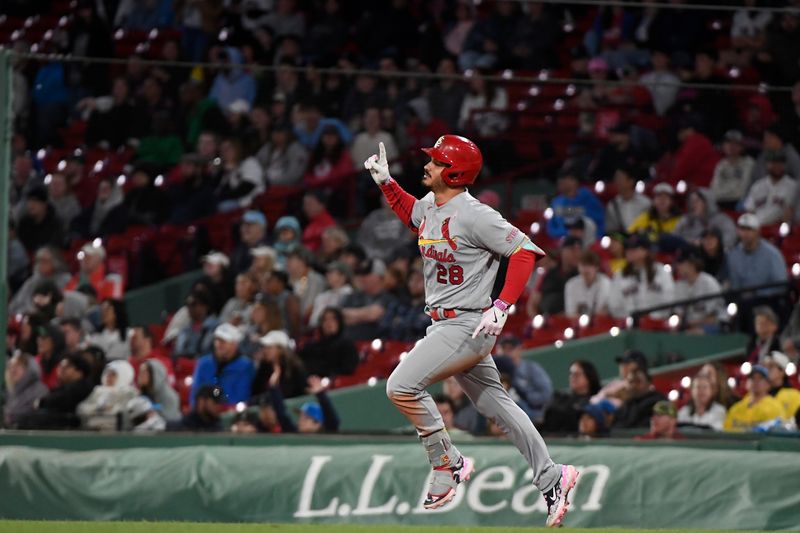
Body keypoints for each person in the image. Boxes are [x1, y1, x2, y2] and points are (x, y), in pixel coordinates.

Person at [363, 136, 578, 525]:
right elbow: (415, 216)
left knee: (400, 387)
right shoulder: (431, 204)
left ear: (455, 172)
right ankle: (553, 477)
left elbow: (525, 252)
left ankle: (448, 463)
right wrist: (387, 184)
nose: (427, 165)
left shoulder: (477, 214)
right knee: (496, 404)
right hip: (444, 323)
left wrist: (502, 305)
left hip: (468, 322)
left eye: (437, 161)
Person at [608, 234, 675, 319]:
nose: (629, 251)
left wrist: (654, 317)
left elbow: (669, 299)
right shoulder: (620, 275)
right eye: (627, 248)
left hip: (658, 324)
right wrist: (629, 318)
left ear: (645, 251)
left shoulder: (661, 272)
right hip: (630, 327)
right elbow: (614, 304)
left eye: (634, 249)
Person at [190, 323, 254, 407]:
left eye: (224, 341)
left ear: (234, 344)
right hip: (203, 413)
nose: (219, 344)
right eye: (217, 340)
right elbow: (195, 393)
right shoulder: (204, 363)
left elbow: (241, 396)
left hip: (230, 414)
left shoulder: (245, 366)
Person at [493, 336, 553, 424]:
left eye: (510, 349)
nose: (506, 352)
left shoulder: (531, 369)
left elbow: (546, 395)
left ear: (519, 349)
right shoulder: (495, 370)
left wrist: (526, 396)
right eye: (503, 348)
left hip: (531, 417)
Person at [728, 214, 788, 296]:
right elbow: (735, 284)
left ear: (757, 231)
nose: (745, 233)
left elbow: (781, 285)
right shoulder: (734, 255)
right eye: (742, 229)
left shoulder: (772, 254)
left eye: (749, 229)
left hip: (769, 300)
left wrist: (758, 294)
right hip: (742, 301)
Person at [527, 236, 582, 316]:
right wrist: (537, 319)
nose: (577, 254)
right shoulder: (548, 273)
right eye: (572, 250)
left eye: (579, 250)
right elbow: (532, 304)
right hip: (547, 322)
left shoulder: (582, 275)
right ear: (562, 251)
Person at [542, 360, 601, 434]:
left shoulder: (596, 399)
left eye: (577, 374)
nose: (572, 377)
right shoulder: (559, 397)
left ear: (589, 376)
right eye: (571, 374)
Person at [77, 360, 138, 430]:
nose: (109, 377)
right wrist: (98, 409)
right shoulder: (98, 391)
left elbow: (124, 411)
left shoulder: (129, 393)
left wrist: (108, 410)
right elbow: (81, 408)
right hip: (94, 429)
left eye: (113, 374)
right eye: (107, 374)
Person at [547, 167, 605, 239]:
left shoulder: (589, 200)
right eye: (560, 178)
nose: (560, 181)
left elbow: (599, 225)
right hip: (563, 243)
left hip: (588, 243)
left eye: (565, 178)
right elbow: (551, 229)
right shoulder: (556, 202)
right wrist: (568, 233)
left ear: (574, 181)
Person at [299, 307, 359, 378]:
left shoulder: (347, 346)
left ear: (339, 322)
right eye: (325, 320)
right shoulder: (311, 346)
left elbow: (347, 370)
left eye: (333, 319)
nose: (329, 323)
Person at [673, 252, 724, 333]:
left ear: (692, 265)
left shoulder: (708, 282)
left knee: (695, 333)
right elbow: (679, 314)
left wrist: (690, 325)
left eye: (681, 264)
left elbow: (713, 318)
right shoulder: (679, 285)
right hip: (689, 326)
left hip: (713, 325)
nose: (678, 267)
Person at [743, 149, 797, 225]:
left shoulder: (793, 186)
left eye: (780, 163)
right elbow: (749, 210)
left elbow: (791, 212)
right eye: (774, 163)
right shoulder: (758, 185)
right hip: (757, 228)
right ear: (766, 164)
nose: (777, 167)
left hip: (778, 228)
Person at [724, 365, 785, 432]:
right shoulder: (736, 408)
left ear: (768, 384)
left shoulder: (775, 407)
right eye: (752, 378)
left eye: (760, 378)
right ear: (747, 382)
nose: (756, 381)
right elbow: (726, 430)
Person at [251, 330, 307, 399]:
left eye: (269, 347)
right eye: (265, 347)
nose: (265, 350)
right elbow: (256, 391)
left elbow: (297, 393)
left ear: (280, 349)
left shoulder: (294, 367)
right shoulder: (264, 367)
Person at [710, 130, 755, 208]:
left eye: (736, 143)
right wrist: (732, 187)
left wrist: (724, 190)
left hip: (739, 204)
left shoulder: (749, 163)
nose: (731, 146)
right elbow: (714, 191)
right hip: (720, 203)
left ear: (742, 147)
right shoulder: (721, 164)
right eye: (728, 142)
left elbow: (742, 191)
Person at [4, 353, 49, 428]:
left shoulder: (40, 390)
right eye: (10, 367)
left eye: (17, 366)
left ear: (29, 368)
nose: (12, 370)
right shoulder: (11, 391)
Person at [564, 250, 611, 317]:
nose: (586, 269)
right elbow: (570, 312)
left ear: (596, 267)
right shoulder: (571, 284)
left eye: (590, 265)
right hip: (577, 323)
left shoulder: (605, 282)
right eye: (583, 265)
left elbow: (602, 311)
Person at [605, 166, 651, 234]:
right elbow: (610, 230)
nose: (617, 182)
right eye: (616, 178)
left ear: (631, 181)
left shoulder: (646, 203)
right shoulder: (612, 205)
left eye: (620, 178)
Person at [309, 262, 353, 328]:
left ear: (343, 277)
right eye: (327, 273)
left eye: (331, 273)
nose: (327, 275)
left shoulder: (351, 294)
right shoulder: (321, 296)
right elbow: (313, 321)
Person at [762, 351, 800, 422]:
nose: (766, 370)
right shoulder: (757, 394)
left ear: (782, 371)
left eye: (771, 366)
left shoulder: (794, 395)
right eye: (765, 366)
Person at [230, 210, 270, 275]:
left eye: (250, 224)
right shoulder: (237, 252)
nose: (245, 228)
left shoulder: (270, 250)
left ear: (262, 228)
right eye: (243, 224)